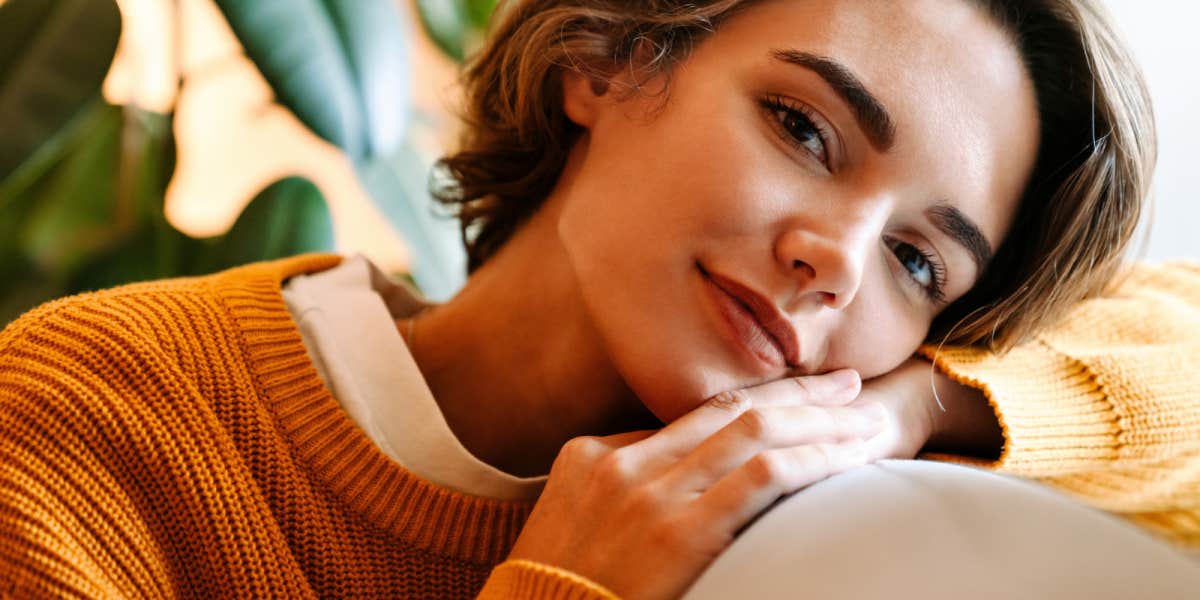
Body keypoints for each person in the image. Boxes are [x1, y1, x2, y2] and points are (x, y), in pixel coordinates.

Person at [0, 0, 1195, 598]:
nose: (838, 258)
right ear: (608, 57)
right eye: (803, 127)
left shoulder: (789, 502)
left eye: (921, 262)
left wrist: (908, 411)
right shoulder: (91, 418)